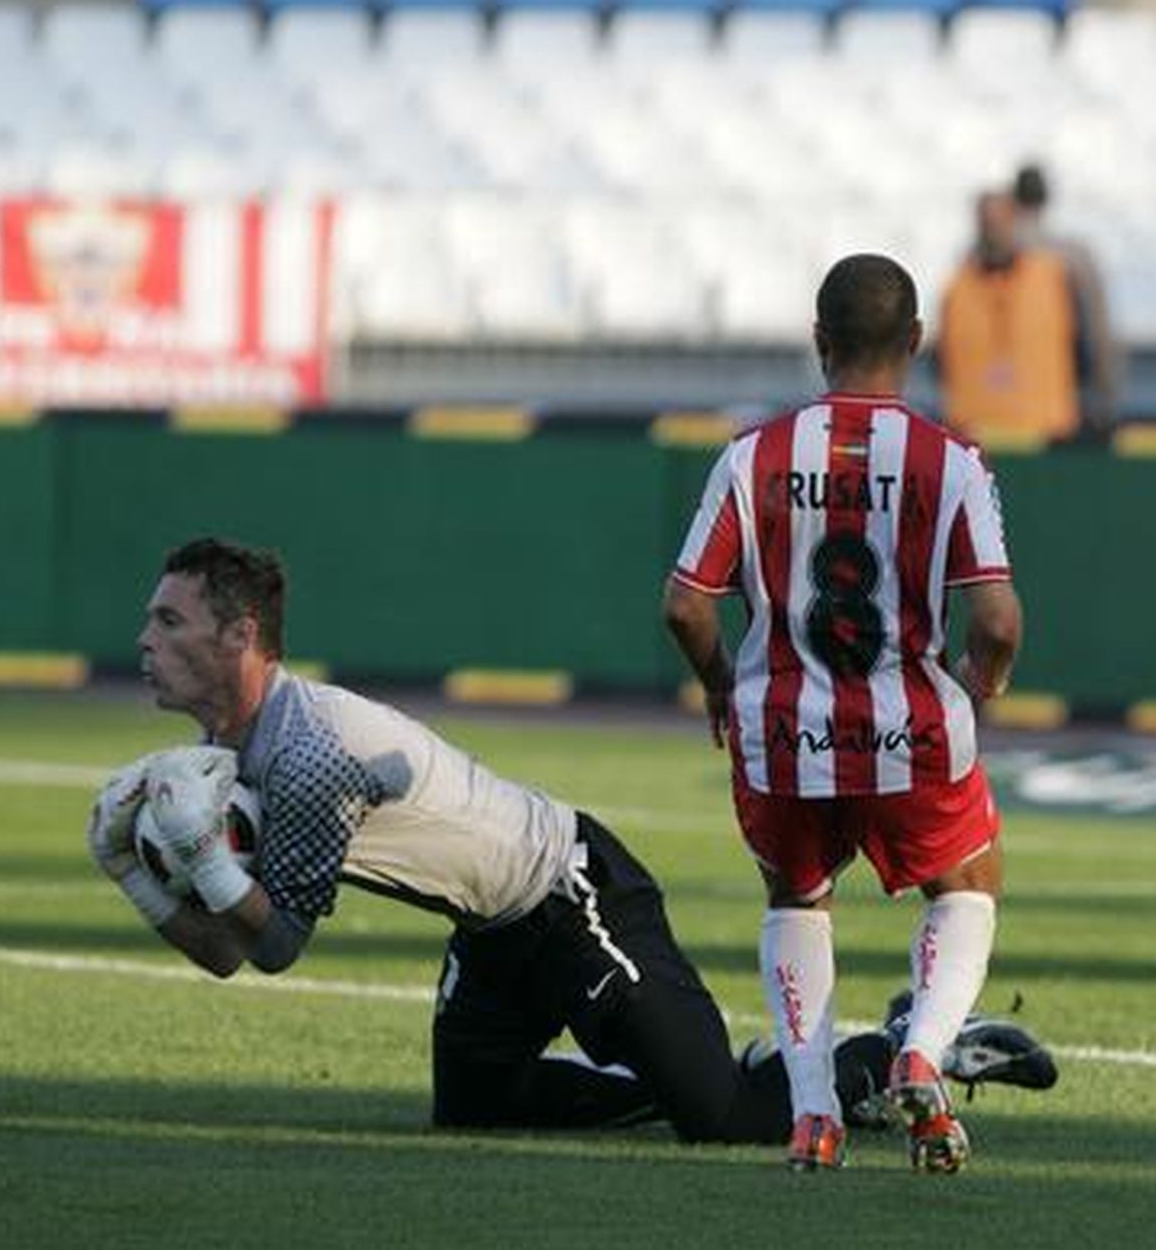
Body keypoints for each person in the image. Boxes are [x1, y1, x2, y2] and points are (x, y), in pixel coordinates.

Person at [86, 537, 1050, 1151]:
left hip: (573, 895)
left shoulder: (306, 751)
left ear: (238, 634)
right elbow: (226, 951)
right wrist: (136, 873)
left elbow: (276, 944)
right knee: (474, 1107)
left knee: (724, 1124)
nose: (144, 637)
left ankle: (901, 1049)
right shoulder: (232, 753)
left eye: (167, 619)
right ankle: (678, 1068)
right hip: (493, 930)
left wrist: (201, 864)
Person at [663, 254, 1024, 1174]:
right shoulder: (951, 461)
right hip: (910, 730)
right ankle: (922, 1049)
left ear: (819, 341)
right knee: (968, 881)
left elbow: (686, 603)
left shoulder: (754, 457)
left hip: (783, 734)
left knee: (796, 897)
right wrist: (980, 683)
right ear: (915, 342)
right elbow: (996, 619)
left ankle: (814, 1111)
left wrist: (714, 679)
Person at [937, 189, 1090, 441]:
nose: (994, 231)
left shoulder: (1052, 277)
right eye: (987, 222)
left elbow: (1083, 348)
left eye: (1001, 221)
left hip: (1047, 434)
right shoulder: (956, 287)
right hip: (974, 435)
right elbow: (941, 361)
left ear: (1015, 222)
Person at [1012, 162, 1122, 430]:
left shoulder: (980, 255)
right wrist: (1105, 394)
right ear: (1046, 198)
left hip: (991, 406)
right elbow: (1099, 331)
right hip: (1057, 401)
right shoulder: (1073, 256)